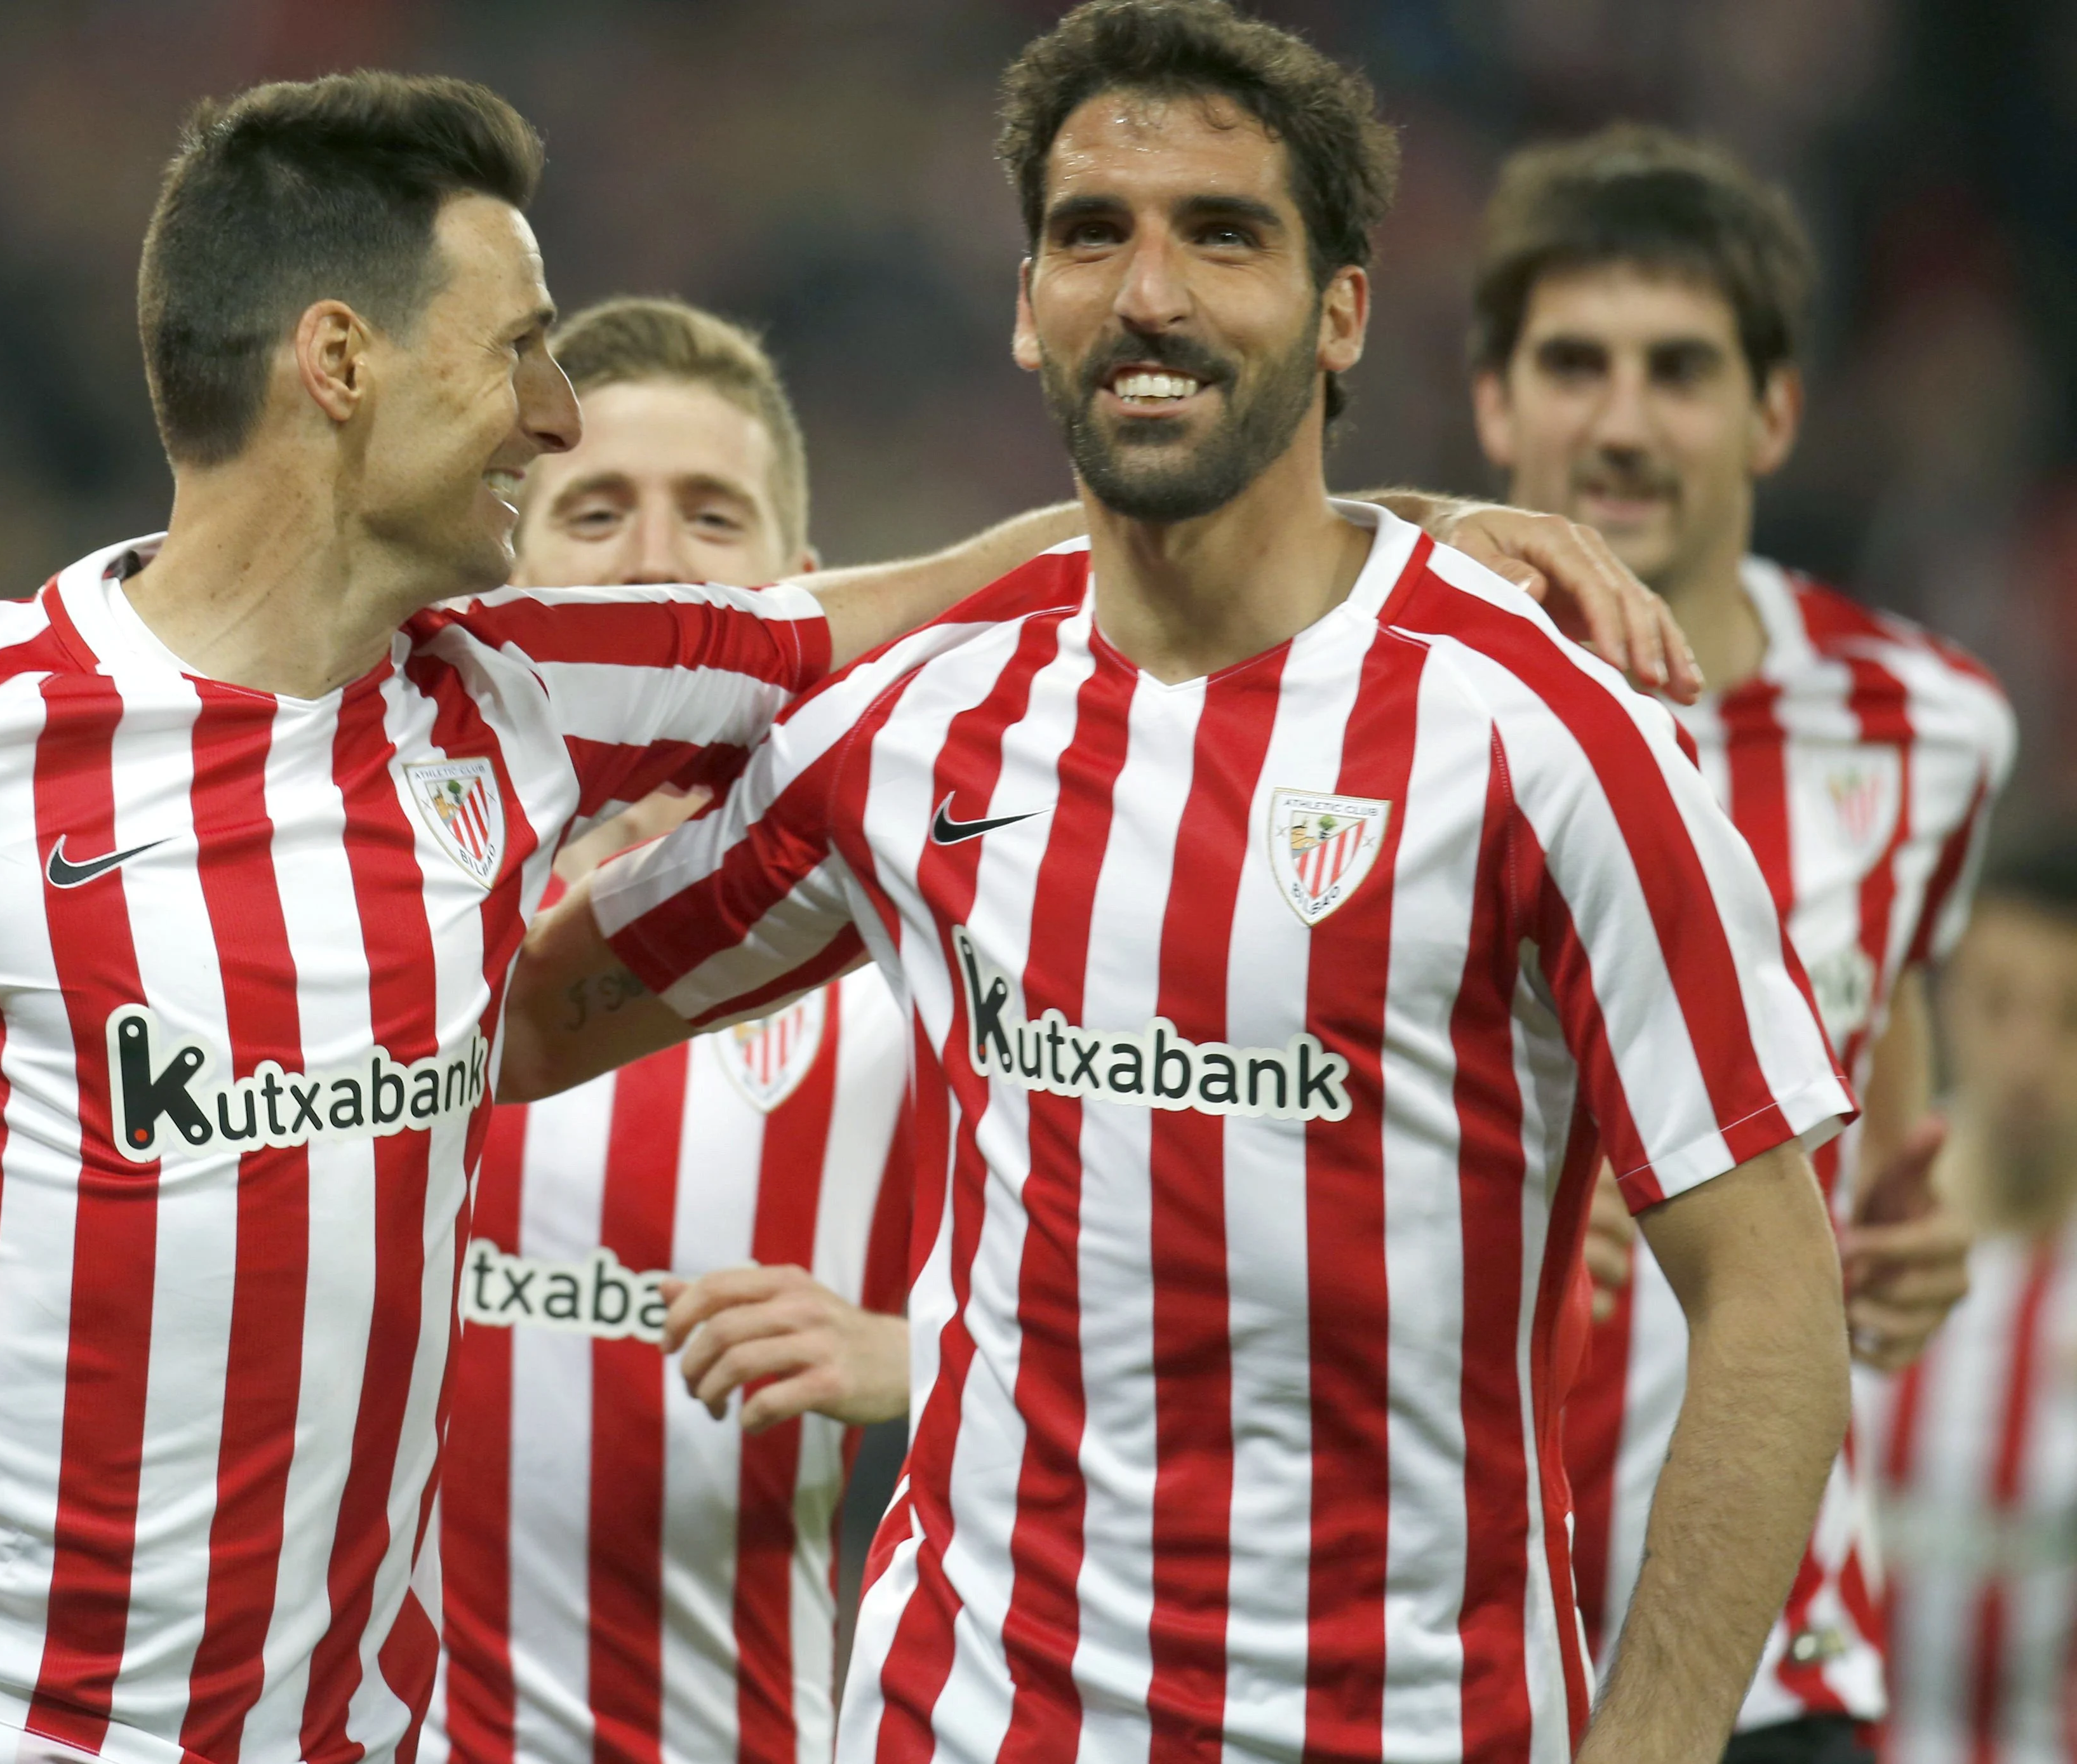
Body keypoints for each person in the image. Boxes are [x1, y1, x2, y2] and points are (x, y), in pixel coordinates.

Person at [0, 62, 1675, 1764]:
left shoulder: (527, 699)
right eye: (519, 357)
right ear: (341, 364)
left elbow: (956, 582)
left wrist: (1389, 534)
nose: (566, 422)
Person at [495, 6, 1857, 1761]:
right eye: (1091, 235)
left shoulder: (1538, 728)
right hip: (964, 1721)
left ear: (1341, 310)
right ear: (1022, 302)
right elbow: (531, 1017)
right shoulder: (918, 719)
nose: (1149, 294)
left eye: (1223, 233)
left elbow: (1772, 1298)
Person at [1474, 126, 2016, 1764]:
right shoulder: (1379, 707)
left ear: (1775, 411)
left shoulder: (1932, 728)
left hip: (1771, 1658)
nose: (1621, 422)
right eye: (1573, 365)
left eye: (1681, 370)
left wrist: (1913, 1237)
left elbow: (1883, 1087)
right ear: (1494, 402)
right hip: (1439, 1633)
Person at [425, 297, 921, 1764]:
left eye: (712, 517)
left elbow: (1165, 1328)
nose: (653, 559)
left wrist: (912, 1358)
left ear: (809, 588)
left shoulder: (899, 953)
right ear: (505, 573)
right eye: (594, 512)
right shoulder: (389, 920)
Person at [1870, 834, 2077, 1764]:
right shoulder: (1847, 1226)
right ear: (1947, 1000)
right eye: (1998, 1005)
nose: (2028, 1058)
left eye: (2071, 1018)